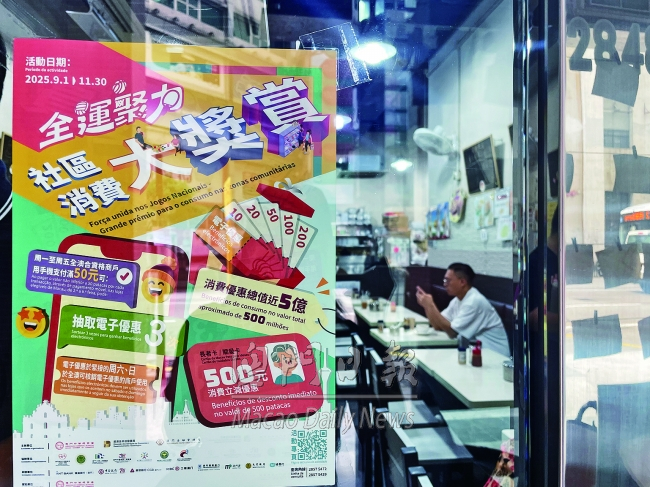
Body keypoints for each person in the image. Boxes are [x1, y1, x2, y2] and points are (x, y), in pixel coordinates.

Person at [416, 262, 510, 356]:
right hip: (476, 352)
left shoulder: (474, 301)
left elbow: (452, 332)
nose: (444, 284)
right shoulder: (457, 300)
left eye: (448, 280)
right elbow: (438, 326)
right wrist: (426, 306)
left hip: (495, 356)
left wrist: (431, 305)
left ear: (462, 282)